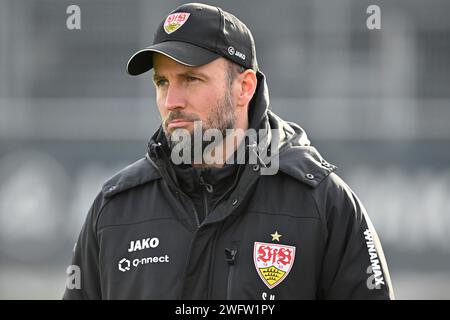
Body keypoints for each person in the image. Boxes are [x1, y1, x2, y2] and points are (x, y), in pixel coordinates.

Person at [63, 2, 394, 300]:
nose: (171, 101)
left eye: (191, 79)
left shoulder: (322, 202)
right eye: (162, 82)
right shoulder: (115, 208)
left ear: (244, 87)